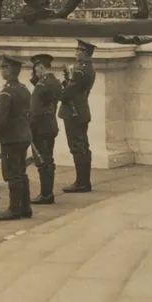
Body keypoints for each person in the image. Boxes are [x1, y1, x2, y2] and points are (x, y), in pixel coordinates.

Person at [0, 55, 34, 220]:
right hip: (23, 135)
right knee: (21, 171)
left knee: (12, 173)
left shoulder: (7, 92)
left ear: (11, 71)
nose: (2, 70)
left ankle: (15, 208)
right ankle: (25, 207)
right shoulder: (23, 88)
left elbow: (0, 118)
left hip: (11, 137)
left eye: (4, 67)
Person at [60, 39, 96, 193]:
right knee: (82, 145)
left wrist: (64, 86)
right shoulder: (87, 68)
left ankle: (81, 182)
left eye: (78, 51)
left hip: (74, 111)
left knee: (77, 146)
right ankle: (83, 181)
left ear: (84, 53)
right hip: (81, 109)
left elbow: (69, 92)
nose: (76, 53)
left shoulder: (80, 70)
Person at [28, 54, 61, 205]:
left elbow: (34, 110)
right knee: (49, 159)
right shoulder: (54, 82)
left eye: (36, 70)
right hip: (51, 125)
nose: (35, 73)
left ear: (40, 67)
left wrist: (29, 128)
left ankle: (46, 194)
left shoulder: (41, 85)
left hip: (40, 128)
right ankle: (48, 192)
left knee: (42, 161)